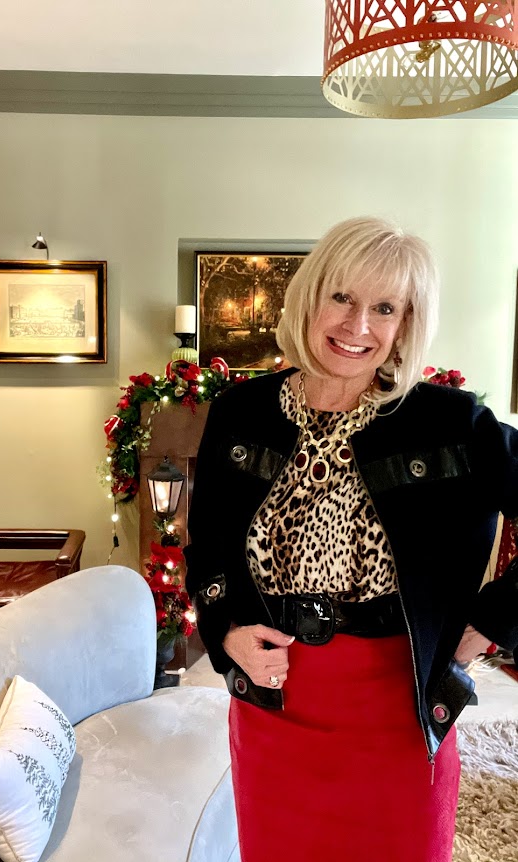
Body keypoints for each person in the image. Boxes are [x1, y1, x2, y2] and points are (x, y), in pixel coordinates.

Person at [183, 216, 518, 862]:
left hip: (396, 716)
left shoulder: (449, 424)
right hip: (272, 711)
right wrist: (225, 631)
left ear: (403, 325)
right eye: (342, 297)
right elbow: (208, 546)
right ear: (311, 297)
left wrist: (490, 623)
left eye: (384, 308)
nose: (357, 325)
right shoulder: (240, 412)